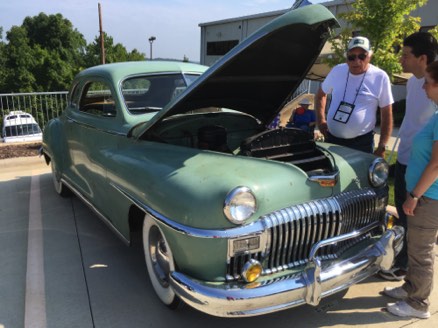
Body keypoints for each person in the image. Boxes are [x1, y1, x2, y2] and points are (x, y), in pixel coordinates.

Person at [380, 32, 438, 282]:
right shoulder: (414, 83)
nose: (400, 59)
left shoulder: (434, 86)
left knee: (420, 233)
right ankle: (405, 270)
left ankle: (409, 276)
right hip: (405, 162)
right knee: (405, 221)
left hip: (426, 172)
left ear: (422, 58)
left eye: (405, 55)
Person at [315, 36, 393, 156]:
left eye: (362, 56)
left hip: (361, 144)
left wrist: (382, 145)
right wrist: (321, 121)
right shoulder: (337, 71)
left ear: (369, 56)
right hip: (332, 140)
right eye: (352, 57)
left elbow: (386, 113)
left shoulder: (380, 77)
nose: (356, 61)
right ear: (346, 57)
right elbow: (320, 95)